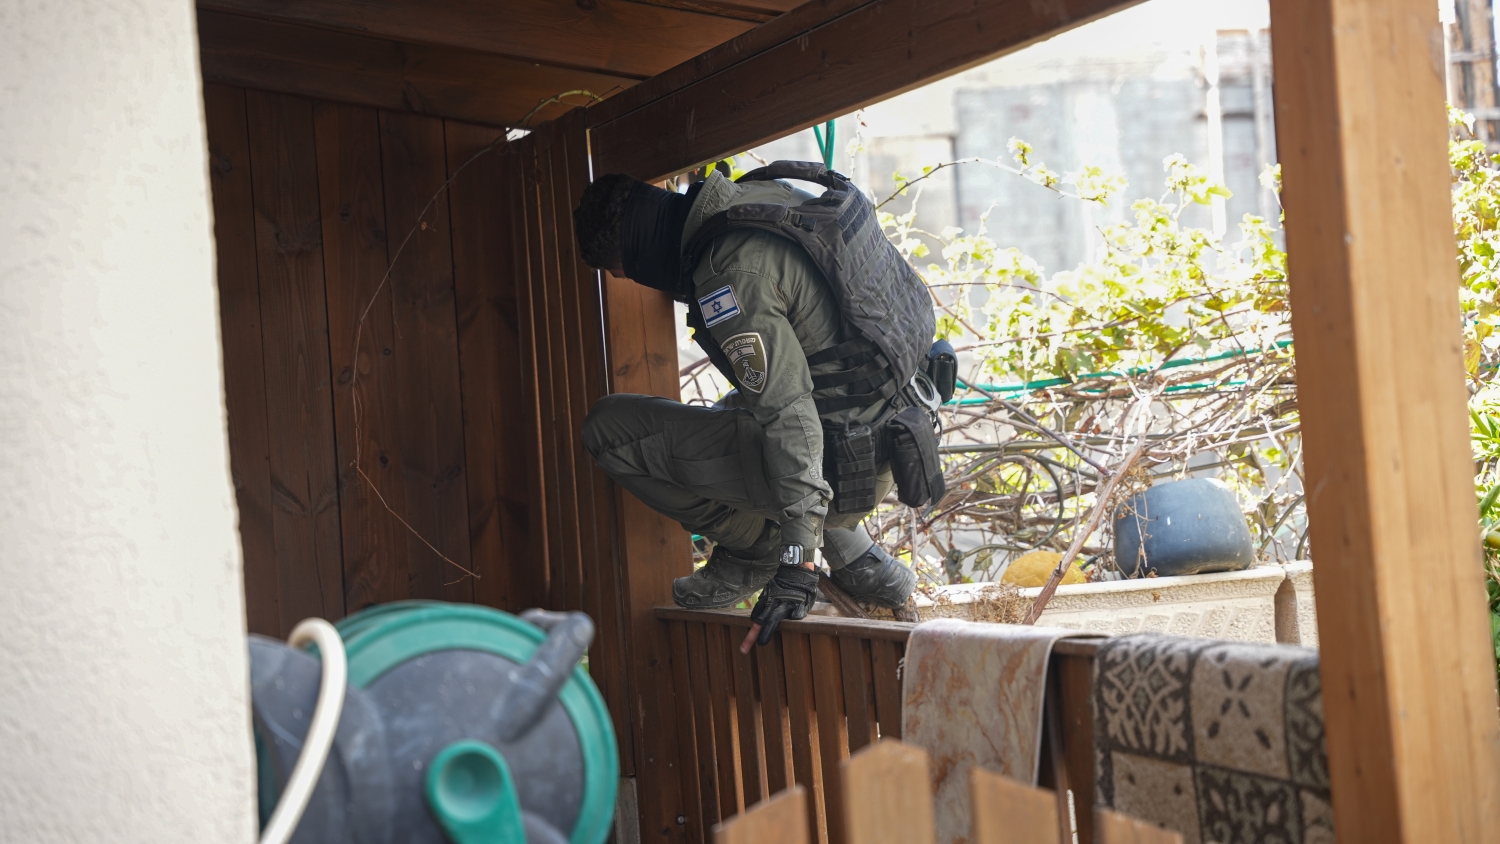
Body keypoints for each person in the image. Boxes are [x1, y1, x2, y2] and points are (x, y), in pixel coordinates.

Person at [573, 165, 932, 650]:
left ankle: (756, 548)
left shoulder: (728, 274)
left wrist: (797, 561)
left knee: (607, 429)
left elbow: (789, 416)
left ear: (634, 248)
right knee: (734, 407)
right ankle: (860, 560)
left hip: (842, 463)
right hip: (897, 423)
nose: (624, 278)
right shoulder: (760, 198)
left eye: (619, 269)